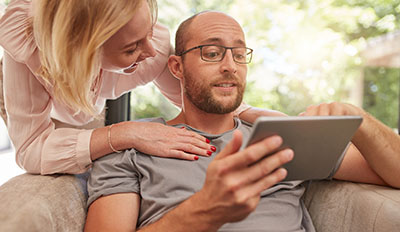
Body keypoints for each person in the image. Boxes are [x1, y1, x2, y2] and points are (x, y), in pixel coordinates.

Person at [84, 11, 400, 232]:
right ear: (176, 67)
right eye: (211, 53)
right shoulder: (132, 146)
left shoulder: (285, 137)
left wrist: (359, 122)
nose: (230, 66)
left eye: (238, 54)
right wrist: (206, 208)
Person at [0, 0, 277, 175]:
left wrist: (265, 119)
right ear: (83, 51)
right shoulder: (25, 46)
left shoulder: (152, 46)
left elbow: (200, 99)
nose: (151, 50)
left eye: (147, 33)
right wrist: (126, 132)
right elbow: (31, 151)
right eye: (132, 47)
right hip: (46, 94)